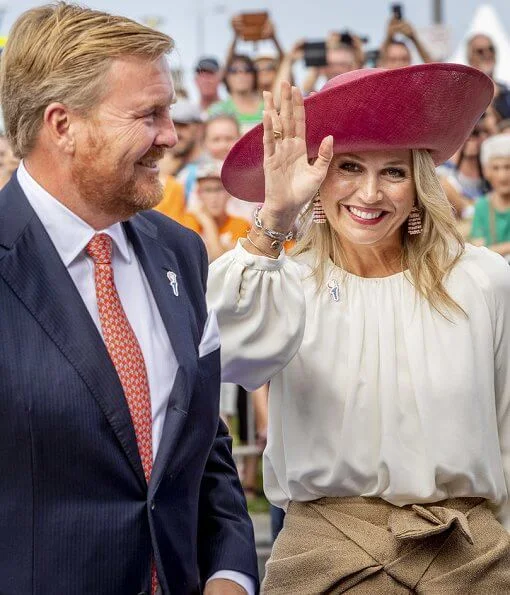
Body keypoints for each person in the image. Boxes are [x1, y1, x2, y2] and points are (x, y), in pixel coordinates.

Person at [208, 66, 510, 592]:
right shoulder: (286, 282)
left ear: (419, 185)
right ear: (318, 177)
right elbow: (224, 352)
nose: (370, 194)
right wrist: (276, 216)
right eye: (347, 166)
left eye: (393, 172)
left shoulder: (482, 280)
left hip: (471, 564)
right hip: (325, 564)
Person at [0, 4, 258, 594]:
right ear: (62, 125)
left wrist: (230, 572)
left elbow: (202, 441)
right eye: (150, 115)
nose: (171, 135)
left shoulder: (180, 253)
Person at [471, 134, 510, 261]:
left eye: (507, 167)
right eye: (496, 168)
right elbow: (478, 249)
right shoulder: (482, 205)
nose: (502, 176)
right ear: (487, 171)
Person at [209, 54, 264, 134]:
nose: (241, 74)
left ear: (254, 75)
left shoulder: (268, 109)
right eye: (234, 71)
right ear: (226, 77)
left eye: (247, 70)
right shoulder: (216, 111)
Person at [467, 33, 510, 120]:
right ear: (470, 58)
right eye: (480, 51)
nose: (487, 54)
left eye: (491, 49)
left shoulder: (505, 92)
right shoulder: (464, 93)